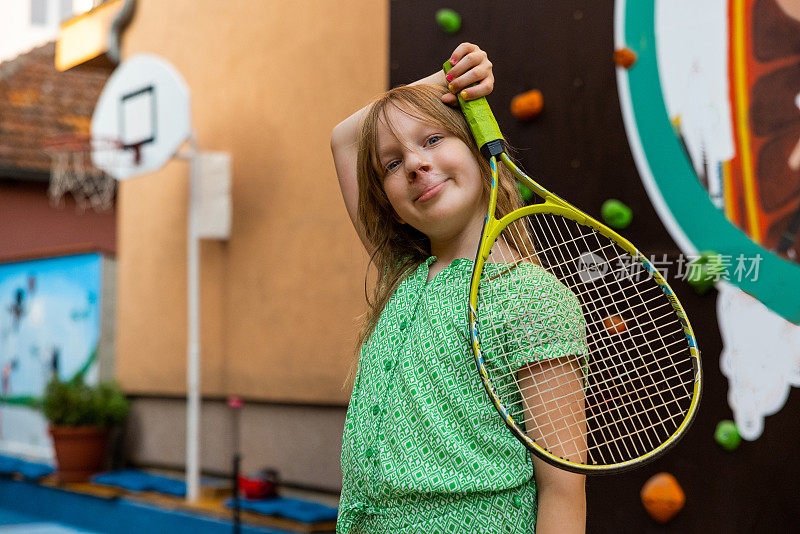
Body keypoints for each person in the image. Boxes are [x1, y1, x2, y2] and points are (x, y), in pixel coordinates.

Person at [330, 42, 587, 533]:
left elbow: (562, 489)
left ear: (475, 145)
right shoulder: (399, 276)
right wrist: (444, 80)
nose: (414, 164)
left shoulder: (530, 299)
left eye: (432, 140)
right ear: (385, 199)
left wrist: (461, 90)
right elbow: (345, 138)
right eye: (390, 163)